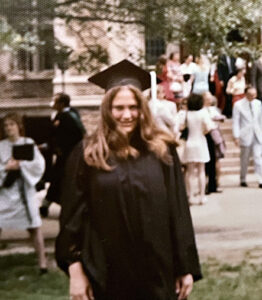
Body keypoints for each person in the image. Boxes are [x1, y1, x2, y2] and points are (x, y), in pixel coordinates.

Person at [55, 59, 202, 300]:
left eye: (133, 107)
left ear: (142, 109)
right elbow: (72, 219)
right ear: (107, 110)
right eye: (119, 108)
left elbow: (178, 211)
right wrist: (75, 270)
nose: (127, 115)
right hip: (107, 272)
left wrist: (184, 267)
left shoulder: (162, 151)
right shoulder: (88, 153)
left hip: (157, 269)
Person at [0, 113, 47, 273]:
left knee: (34, 226)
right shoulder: (1, 146)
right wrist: (6, 168)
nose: (8, 128)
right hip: (5, 192)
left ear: (18, 126)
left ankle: (42, 264)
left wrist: (21, 165)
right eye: (6, 125)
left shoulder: (28, 143)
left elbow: (38, 164)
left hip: (24, 191)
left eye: (11, 124)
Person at [40, 92, 86, 217]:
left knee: (58, 180)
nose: (53, 104)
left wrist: (52, 147)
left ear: (61, 104)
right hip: (70, 155)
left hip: (67, 156)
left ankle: (46, 205)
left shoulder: (64, 117)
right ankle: (47, 205)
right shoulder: (72, 113)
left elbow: (60, 137)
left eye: (55, 102)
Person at [181, 94, 215, 205]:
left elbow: (180, 126)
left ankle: (190, 196)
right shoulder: (203, 113)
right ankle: (202, 196)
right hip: (200, 141)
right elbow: (210, 127)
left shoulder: (186, 114)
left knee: (190, 172)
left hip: (190, 142)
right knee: (201, 171)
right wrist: (204, 131)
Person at [232, 86, 262, 188]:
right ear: (246, 94)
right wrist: (236, 136)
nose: (253, 97)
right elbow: (236, 121)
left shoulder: (258, 103)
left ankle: (260, 179)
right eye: (250, 95)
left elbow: (260, 119)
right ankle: (243, 178)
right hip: (245, 133)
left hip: (257, 133)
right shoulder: (238, 105)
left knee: (258, 157)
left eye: (254, 95)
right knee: (244, 158)